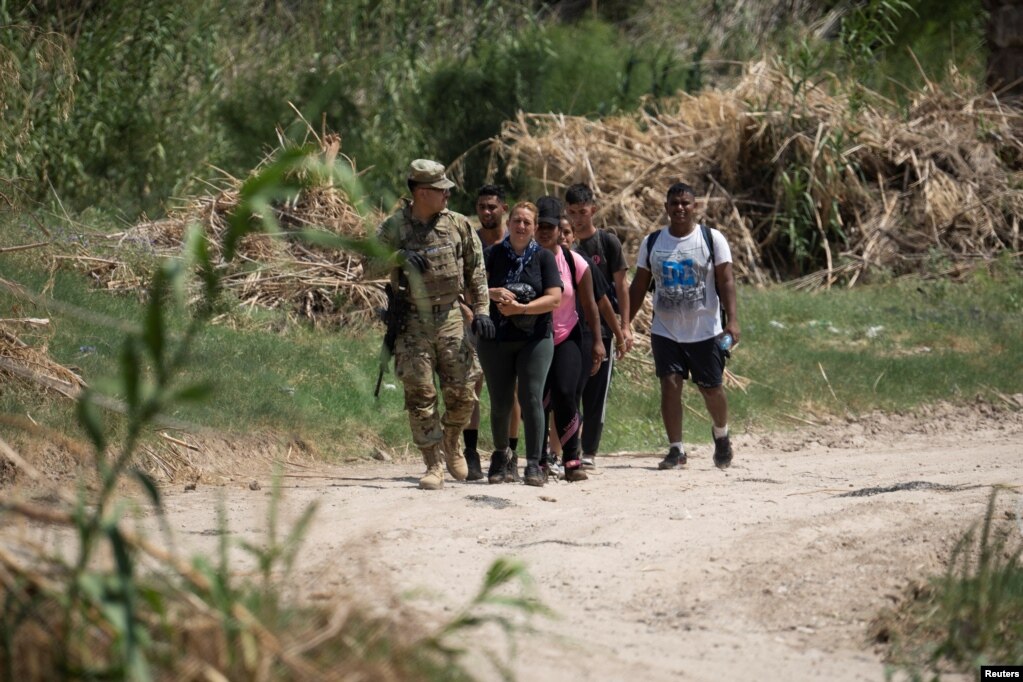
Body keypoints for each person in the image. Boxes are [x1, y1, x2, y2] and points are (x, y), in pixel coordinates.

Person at [371, 159, 496, 490]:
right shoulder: (395, 226)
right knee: (420, 394)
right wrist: (397, 257)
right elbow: (366, 263)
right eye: (442, 190)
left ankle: (452, 441)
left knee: (464, 391)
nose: (448, 195)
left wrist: (482, 311)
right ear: (422, 192)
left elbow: (476, 269)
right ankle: (433, 463)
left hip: (451, 317)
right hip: (412, 320)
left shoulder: (457, 224)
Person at [627, 182, 740, 470]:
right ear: (666, 208)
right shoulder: (652, 243)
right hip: (665, 330)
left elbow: (726, 281)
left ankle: (721, 434)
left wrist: (733, 321)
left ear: (695, 207)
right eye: (674, 203)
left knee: (711, 389)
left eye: (685, 203)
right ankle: (676, 450)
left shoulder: (712, 239)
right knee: (670, 385)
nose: (679, 208)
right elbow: (639, 285)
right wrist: (623, 322)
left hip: (705, 330)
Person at [478, 201, 562, 487]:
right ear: (509, 222)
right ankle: (501, 456)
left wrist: (522, 310)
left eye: (527, 222)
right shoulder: (492, 254)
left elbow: (554, 298)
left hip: (535, 336)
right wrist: (493, 292)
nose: (521, 226)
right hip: (497, 337)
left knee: (531, 398)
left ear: (535, 227)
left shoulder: (544, 258)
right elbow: (471, 289)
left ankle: (535, 462)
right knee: (500, 401)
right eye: (517, 220)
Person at [534, 197, 604, 483]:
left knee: (565, 392)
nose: (544, 231)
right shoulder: (524, 257)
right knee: (535, 399)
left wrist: (598, 342)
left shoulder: (575, 262)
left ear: (559, 229)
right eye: (540, 225)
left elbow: (590, 305)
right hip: (533, 338)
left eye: (549, 226)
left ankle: (572, 458)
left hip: (567, 336)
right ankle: (537, 461)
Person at [565, 183, 634, 470]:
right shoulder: (564, 243)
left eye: (582, 212)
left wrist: (625, 327)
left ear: (593, 209)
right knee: (568, 391)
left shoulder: (607, 244)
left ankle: (589, 450)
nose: (577, 218)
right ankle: (568, 447)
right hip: (569, 330)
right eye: (571, 213)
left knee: (596, 394)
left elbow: (620, 286)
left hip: (602, 331)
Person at [461, 185, 522, 480]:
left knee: (511, 392)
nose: (486, 212)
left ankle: (510, 454)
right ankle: (470, 454)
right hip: (474, 321)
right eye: (482, 206)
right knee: (472, 387)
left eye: (492, 207)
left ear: (504, 208)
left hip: (510, 325)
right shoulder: (468, 241)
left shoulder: (516, 243)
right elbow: (458, 285)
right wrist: (472, 315)